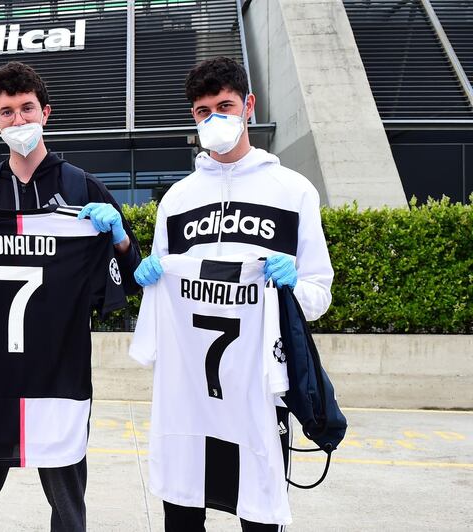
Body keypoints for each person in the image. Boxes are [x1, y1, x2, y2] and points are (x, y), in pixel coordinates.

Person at [0, 61, 142, 532]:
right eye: (8, 112)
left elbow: (131, 278)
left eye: (27, 109)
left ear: (46, 112)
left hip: (59, 365)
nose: (19, 121)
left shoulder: (83, 189)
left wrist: (119, 237)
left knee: (66, 494)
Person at [132, 57, 334, 531]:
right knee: (181, 516)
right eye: (203, 111)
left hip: (260, 397)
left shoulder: (293, 191)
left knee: (259, 519)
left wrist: (291, 291)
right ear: (193, 118)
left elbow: (319, 294)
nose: (215, 118)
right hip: (188, 397)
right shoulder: (177, 200)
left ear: (249, 105)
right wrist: (150, 283)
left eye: (224, 105)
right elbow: (161, 292)